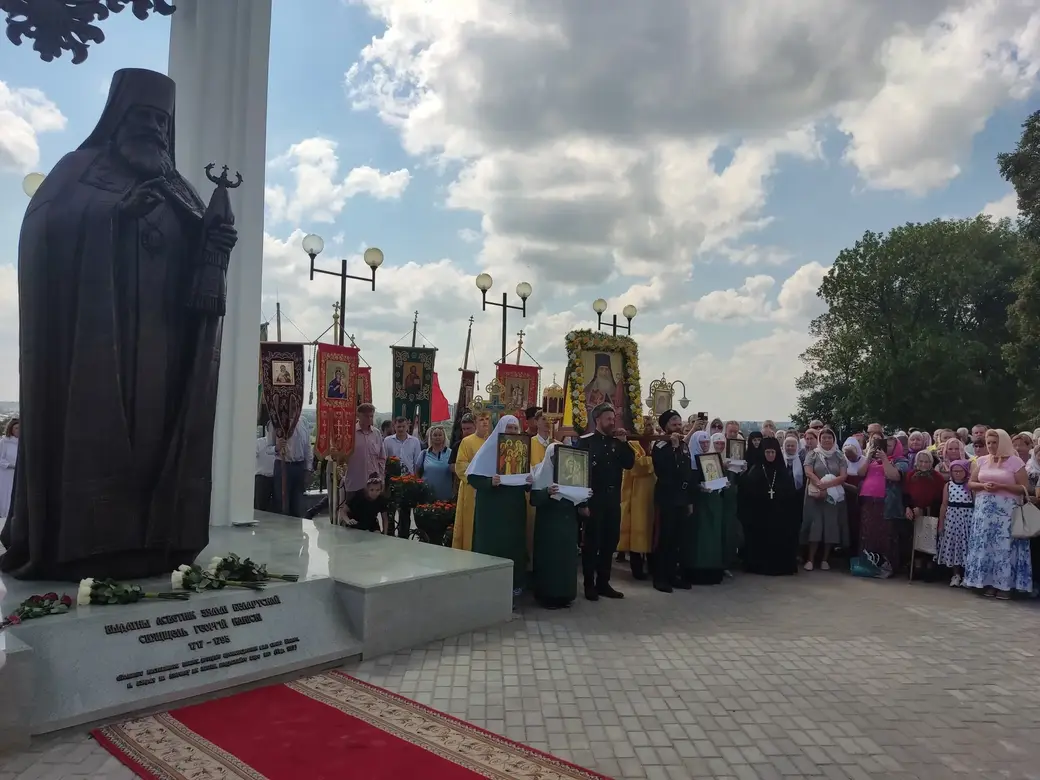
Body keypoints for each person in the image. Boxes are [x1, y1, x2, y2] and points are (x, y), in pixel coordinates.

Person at [1, 68, 238, 581]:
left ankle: (157, 538)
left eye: (162, 120)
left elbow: (201, 259)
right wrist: (114, 217)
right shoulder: (78, 170)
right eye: (143, 116)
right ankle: (87, 547)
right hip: (95, 343)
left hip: (164, 347)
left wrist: (213, 244)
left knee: (157, 442)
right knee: (98, 440)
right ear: (118, 117)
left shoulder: (180, 189)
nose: (153, 128)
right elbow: (43, 230)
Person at [467, 415, 532, 600]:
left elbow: (525, 479)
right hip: (492, 510)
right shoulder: (488, 449)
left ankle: (514, 585)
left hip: (514, 508)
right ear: (501, 429)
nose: (512, 431)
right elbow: (473, 477)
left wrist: (529, 481)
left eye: (515, 428)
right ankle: (486, 585)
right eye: (509, 428)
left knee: (513, 545)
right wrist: (490, 481)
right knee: (491, 546)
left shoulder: (522, 450)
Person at [574, 403, 635, 600]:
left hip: (612, 500)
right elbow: (578, 474)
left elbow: (629, 463)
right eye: (608, 419)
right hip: (593, 500)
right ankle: (589, 584)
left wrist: (624, 442)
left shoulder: (617, 442)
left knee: (610, 542)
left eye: (613, 419)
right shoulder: (586, 442)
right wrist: (582, 503)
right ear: (598, 420)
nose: (612, 422)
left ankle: (604, 582)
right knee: (592, 543)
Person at [963, 429, 1033, 599]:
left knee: (1004, 548)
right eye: (989, 443)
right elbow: (971, 483)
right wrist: (982, 486)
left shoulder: (1015, 462)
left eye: (995, 442)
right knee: (985, 547)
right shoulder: (981, 461)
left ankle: (1004, 586)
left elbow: (1024, 488)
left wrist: (1002, 487)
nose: (992, 446)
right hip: (984, 512)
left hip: (1006, 512)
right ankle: (985, 582)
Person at [529, 443, 590, 609]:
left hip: (568, 523)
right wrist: (547, 492)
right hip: (549, 525)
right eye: (555, 457)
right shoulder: (541, 473)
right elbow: (534, 499)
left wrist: (584, 499)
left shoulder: (570, 473)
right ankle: (547, 596)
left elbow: (576, 495)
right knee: (550, 560)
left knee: (567, 559)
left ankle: (565, 594)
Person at [650, 410, 695, 593]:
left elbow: (687, 472)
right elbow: (666, 471)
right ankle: (660, 577)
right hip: (667, 497)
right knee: (665, 538)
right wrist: (674, 448)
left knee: (678, 539)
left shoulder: (684, 445)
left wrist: (689, 500)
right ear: (666, 426)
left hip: (682, 498)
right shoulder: (661, 446)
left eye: (678, 422)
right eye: (673, 423)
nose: (677, 425)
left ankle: (673, 574)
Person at [741, 437, 799, 575]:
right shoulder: (755, 470)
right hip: (760, 514)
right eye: (768, 452)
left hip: (779, 514)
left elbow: (790, 494)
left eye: (773, 452)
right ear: (763, 453)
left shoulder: (782, 471)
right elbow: (748, 494)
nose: (771, 455)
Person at [800, 427, 848, 571]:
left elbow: (843, 475)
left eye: (829, 437)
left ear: (833, 440)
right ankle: (810, 559)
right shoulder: (813, 454)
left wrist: (828, 485)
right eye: (824, 437)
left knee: (830, 526)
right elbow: (808, 471)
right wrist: (819, 484)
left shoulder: (839, 456)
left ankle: (825, 559)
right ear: (819, 439)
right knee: (816, 525)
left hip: (833, 498)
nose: (827, 440)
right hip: (815, 497)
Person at [618, 419, 655, 580]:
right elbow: (637, 466)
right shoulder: (632, 444)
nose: (649, 428)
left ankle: (652, 565)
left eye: (651, 425)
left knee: (652, 531)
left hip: (652, 493)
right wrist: (654, 461)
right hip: (636, 494)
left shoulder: (656, 443)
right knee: (637, 531)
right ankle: (636, 567)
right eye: (646, 425)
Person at [451, 413, 490, 551]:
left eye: (487, 419)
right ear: (475, 423)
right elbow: (460, 465)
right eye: (481, 419)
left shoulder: (492, 441)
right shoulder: (467, 442)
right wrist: (479, 476)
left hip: (489, 490)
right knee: (469, 524)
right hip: (471, 489)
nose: (485, 422)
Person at [384, 416, 423, 538]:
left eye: (403, 426)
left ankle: (403, 536)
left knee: (405, 512)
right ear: (394, 426)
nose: (401, 429)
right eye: (398, 426)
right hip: (391, 481)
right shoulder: (387, 441)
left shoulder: (414, 441)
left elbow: (417, 462)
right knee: (390, 510)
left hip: (408, 482)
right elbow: (384, 460)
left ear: (408, 426)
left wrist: (416, 481)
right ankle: (389, 534)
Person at [936, 460, 973, 586]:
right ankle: (955, 574)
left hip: (967, 519)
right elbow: (944, 504)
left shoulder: (970, 486)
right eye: (954, 471)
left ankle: (967, 575)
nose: (957, 474)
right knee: (954, 546)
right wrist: (941, 523)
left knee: (967, 546)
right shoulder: (948, 485)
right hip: (952, 519)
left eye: (960, 471)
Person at [268, 417, 313, 518]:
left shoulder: (303, 421)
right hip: (283, 466)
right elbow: (268, 448)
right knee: (282, 503)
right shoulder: (276, 421)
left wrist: (308, 468)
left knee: (298, 505)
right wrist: (277, 447)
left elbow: (308, 447)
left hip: (299, 466)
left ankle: (296, 531)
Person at [416, 427, 453, 501]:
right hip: (427, 496)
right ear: (431, 437)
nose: (437, 437)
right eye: (435, 435)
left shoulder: (451, 453)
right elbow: (417, 471)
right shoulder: (424, 454)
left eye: (440, 435)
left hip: (446, 497)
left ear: (444, 437)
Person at [0, 419, 18, 520]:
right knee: (6, 496)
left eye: (20, 428)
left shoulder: (22, 442)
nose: (18, 430)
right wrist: (10, 465)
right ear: (11, 429)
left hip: (18, 474)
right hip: (6, 474)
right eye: (16, 428)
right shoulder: (4, 442)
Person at [254, 435, 276, 513]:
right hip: (262, 477)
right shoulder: (259, 442)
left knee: (277, 507)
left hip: (277, 478)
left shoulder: (282, 443)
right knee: (260, 505)